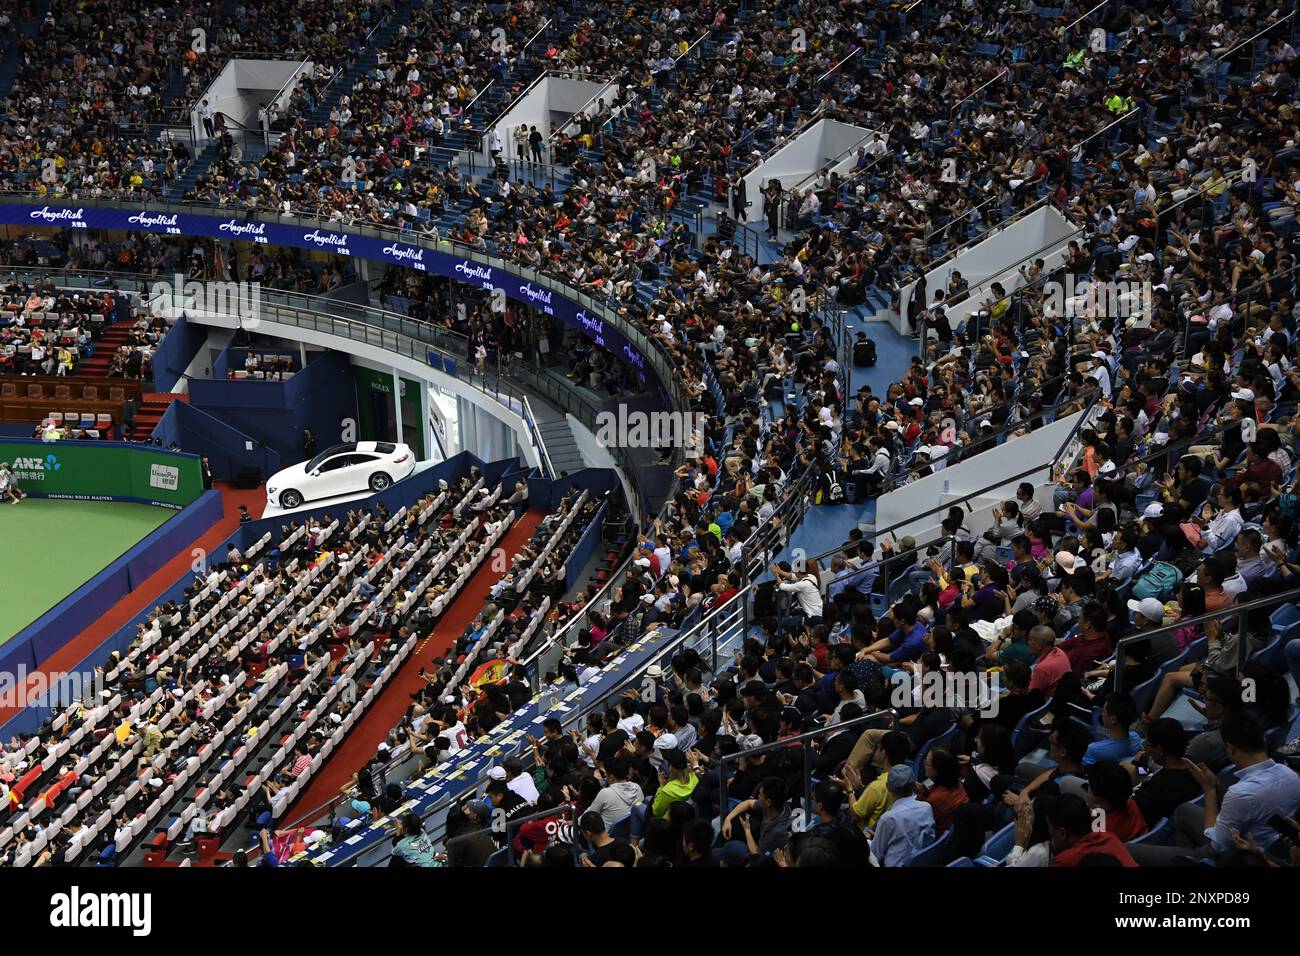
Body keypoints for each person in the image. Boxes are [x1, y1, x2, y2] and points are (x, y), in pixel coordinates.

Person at [1046, 793, 1137, 867]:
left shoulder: (1064, 861)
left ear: (1063, 833)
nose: (1049, 831)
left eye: (1050, 827)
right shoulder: (1110, 837)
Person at [869, 764, 935, 866]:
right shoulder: (926, 808)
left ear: (888, 787)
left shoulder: (888, 819)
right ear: (914, 785)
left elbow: (875, 855)